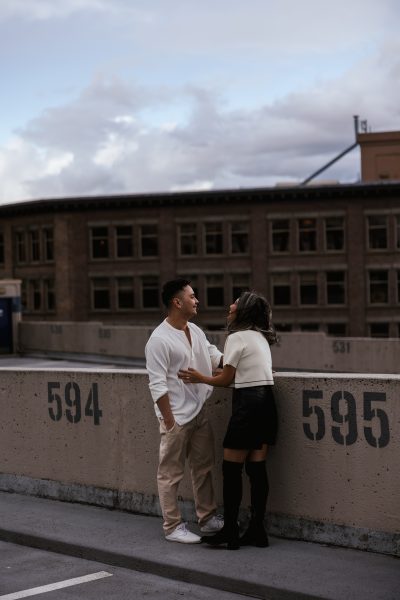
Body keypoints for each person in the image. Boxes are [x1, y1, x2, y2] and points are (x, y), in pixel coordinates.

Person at [178, 291, 278, 550]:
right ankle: (257, 530)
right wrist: (214, 371)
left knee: (231, 470)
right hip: (267, 402)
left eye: (235, 302)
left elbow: (227, 380)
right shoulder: (260, 337)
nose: (230, 305)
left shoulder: (236, 337)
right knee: (257, 470)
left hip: (247, 404)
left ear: (242, 310)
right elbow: (237, 371)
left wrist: (200, 377)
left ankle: (231, 531)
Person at [145, 279, 224, 544]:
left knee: (204, 468)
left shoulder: (195, 331)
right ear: (177, 302)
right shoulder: (158, 340)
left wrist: (236, 362)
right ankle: (172, 527)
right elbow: (156, 384)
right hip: (176, 417)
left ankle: (208, 519)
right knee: (170, 474)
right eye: (192, 296)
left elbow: (213, 356)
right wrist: (169, 420)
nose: (197, 300)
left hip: (200, 411)